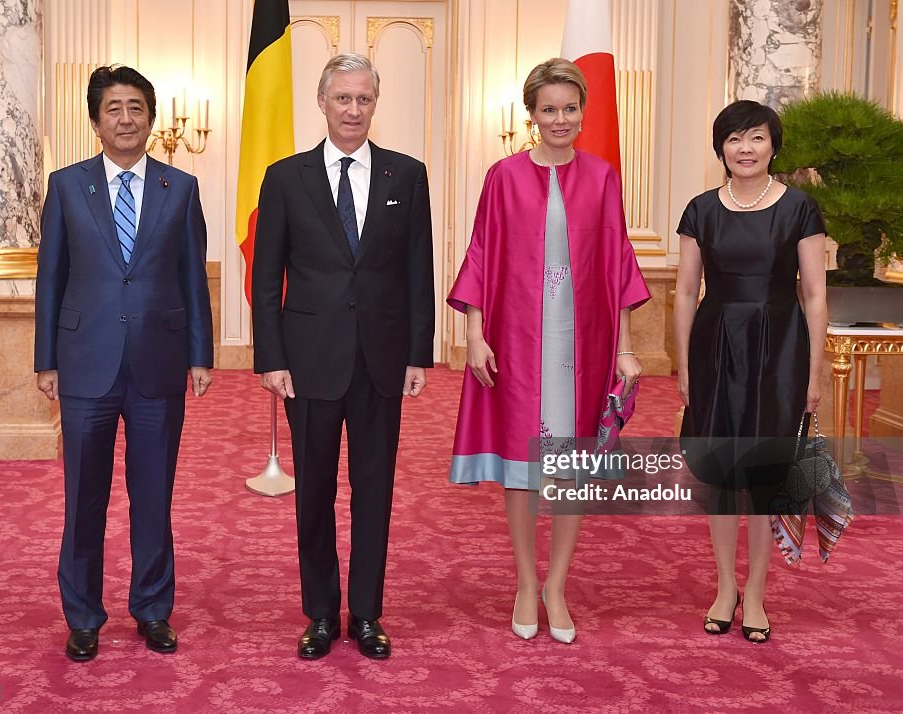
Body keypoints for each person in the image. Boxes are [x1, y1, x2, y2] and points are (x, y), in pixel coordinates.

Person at [448, 58, 650, 644]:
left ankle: (557, 585)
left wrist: (625, 349)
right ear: (531, 114)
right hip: (513, 337)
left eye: (569, 108)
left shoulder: (604, 176)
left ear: (582, 112)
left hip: (581, 343)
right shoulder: (504, 176)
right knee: (522, 466)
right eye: (548, 109)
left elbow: (618, 267)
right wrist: (474, 333)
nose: (560, 118)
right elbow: (482, 253)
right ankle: (523, 582)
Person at [252, 53, 434, 661]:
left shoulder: (406, 176)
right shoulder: (284, 177)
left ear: (374, 104)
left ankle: (367, 613)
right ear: (322, 102)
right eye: (343, 99)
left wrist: (418, 353)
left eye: (363, 99)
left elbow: (418, 270)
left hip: (382, 359)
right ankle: (322, 612)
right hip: (308, 362)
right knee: (314, 492)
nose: (353, 110)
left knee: (374, 488)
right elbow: (267, 275)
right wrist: (271, 358)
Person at [34, 65, 214, 662]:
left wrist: (200, 355)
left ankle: (152, 609)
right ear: (95, 120)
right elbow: (51, 277)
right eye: (114, 108)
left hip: (158, 365)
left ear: (151, 118)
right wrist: (46, 359)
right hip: (84, 364)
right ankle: (82, 614)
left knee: (153, 494)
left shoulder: (180, 188)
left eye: (136, 107)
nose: (126, 119)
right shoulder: (65, 186)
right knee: (83, 496)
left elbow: (193, 279)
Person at [673, 100, 827, 643]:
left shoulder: (800, 208)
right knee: (719, 474)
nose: (745, 149)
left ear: (773, 145)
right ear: (721, 147)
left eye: (756, 138)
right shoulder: (700, 210)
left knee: (764, 475)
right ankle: (723, 587)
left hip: (781, 347)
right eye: (735, 139)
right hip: (716, 346)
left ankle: (756, 593)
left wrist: (815, 371)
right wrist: (684, 366)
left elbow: (814, 294)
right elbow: (687, 291)